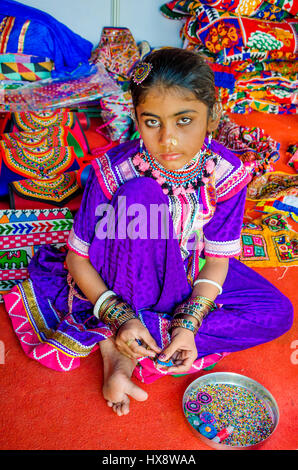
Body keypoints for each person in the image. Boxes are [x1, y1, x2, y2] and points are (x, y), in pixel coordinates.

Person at [3, 48, 293, 417]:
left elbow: (218, 260)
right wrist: (120, 316)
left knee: (277, 312)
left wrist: (189, 325)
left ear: (213, 115)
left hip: (185, 267)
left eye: (184, 120)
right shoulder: (116, 170)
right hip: (122, 265)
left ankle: (133, 346)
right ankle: (126, 342)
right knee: (144, 195)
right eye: (152, 122)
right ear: (136, 118)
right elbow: (77, 258)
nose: (168, 139)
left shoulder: (227, 173)